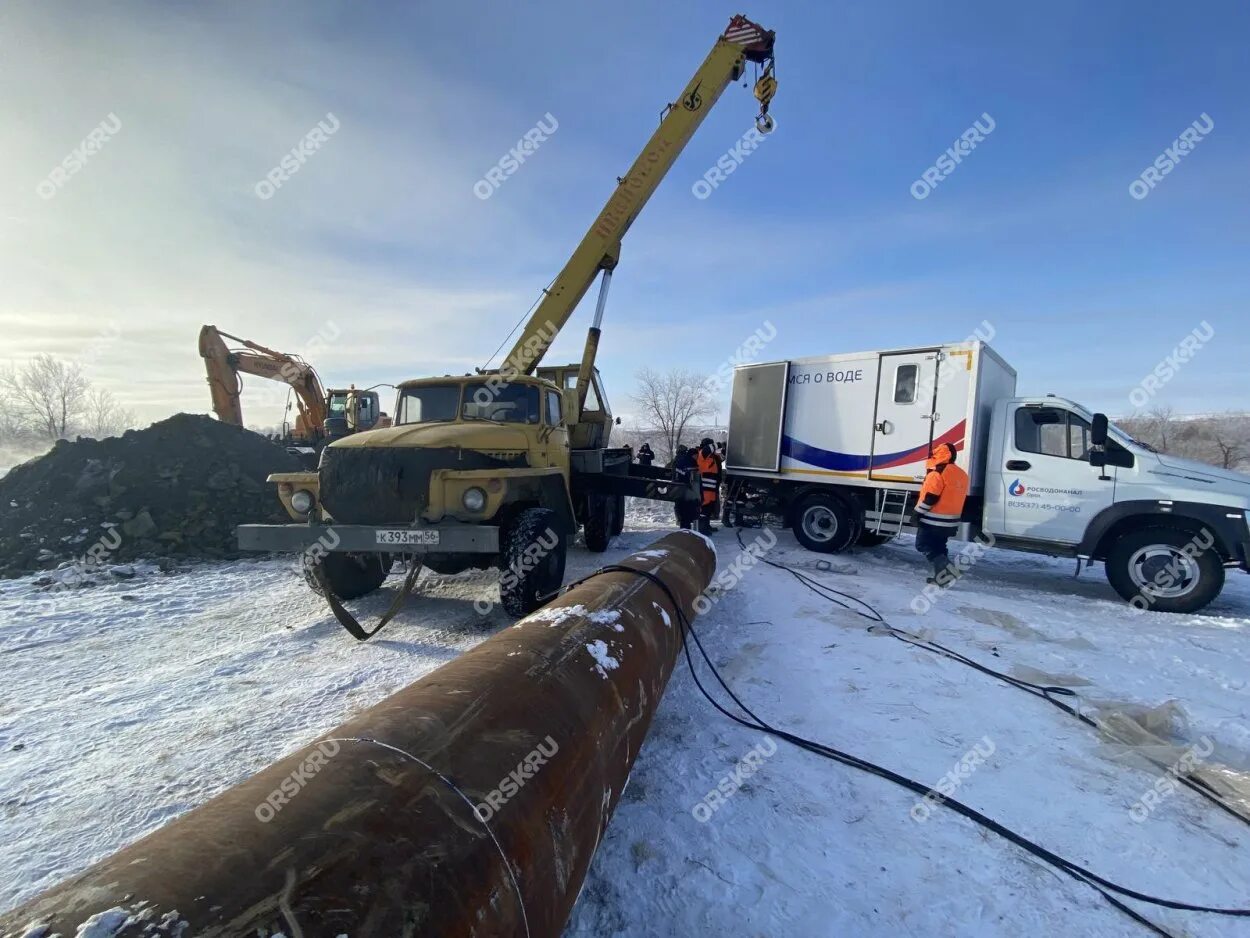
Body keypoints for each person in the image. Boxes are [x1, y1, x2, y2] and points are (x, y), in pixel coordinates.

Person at [911, 442, 969, 584]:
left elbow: (930, 497)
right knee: (940, 546)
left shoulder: (937, 473)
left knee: (923, 544)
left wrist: (917, 513)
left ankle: (948, 569)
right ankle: (942, 578)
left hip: (932, 519)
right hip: (950, 520)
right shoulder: (961, 474)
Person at [694, 438, 720, 530]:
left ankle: (706, 526)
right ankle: (702, 528)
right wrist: (720, 444)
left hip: (711, 488)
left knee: (709, 508)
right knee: (705, 508)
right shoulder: (702, 454)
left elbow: (720, 459)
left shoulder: (711, 456)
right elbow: (708, 449)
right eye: (711, 445)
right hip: (705, 488)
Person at [672, 445, 700, 530]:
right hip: (686, 490)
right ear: (693, 455)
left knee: (682, 511)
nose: (697, 457)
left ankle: (684, 527)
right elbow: (690, 476)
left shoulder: (681, 461)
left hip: (680, 489)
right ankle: (686, 529)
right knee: (686, 511)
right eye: (696, 456)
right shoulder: (690, 462)